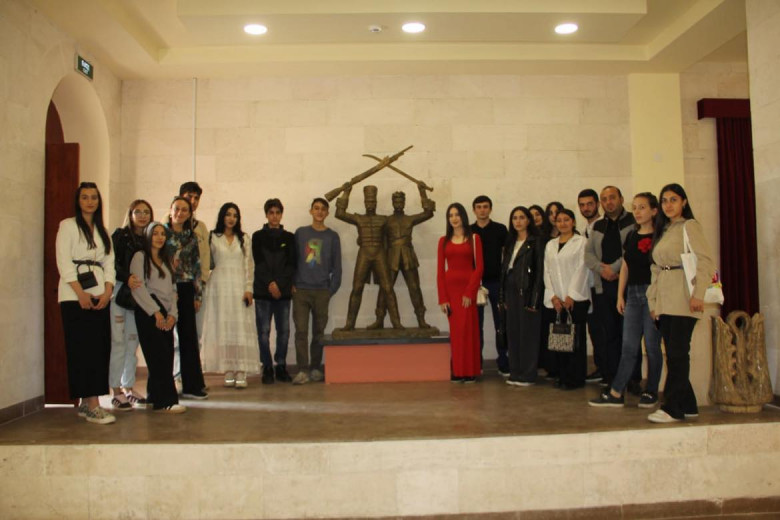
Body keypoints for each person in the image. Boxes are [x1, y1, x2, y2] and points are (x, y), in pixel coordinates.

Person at [646, 184, 714, 423]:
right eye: (664, 200)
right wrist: (653, 302)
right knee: (674, 354)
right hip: (665, 300)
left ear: (684, 202)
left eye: (673, 199)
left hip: (685, 298)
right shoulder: (664, 230)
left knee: (677, 354)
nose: (668, 205)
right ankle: (689, 405)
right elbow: (656, 269)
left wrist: (698, 294)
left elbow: (706, 261)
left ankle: (673, 408)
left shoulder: (689, 226)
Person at [589, 193, 662, 408]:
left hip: (652, 294)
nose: (637, 212)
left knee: (652, 346)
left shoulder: (661, 236)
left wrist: (657, 299)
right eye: (635, 207)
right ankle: (616, 392)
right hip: (632, 294)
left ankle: (651, 391)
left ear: (654, 211)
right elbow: (626, 266)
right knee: (628, 346)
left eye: (642, 207)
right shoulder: (631, 235)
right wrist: (621, 295)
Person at [55, 182, 116, 424]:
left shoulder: (103, 230)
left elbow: (110, 263)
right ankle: (92, 404)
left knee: (99, 349)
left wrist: (108, 291)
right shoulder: (68, 226)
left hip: (100, 294)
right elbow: (63, 262)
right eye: (85, 197)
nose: (90, 201)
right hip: (74, 296)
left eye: (94, 197)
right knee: (82, 349)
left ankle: (87, 402)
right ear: (78, 201)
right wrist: (80, 293)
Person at [201, 203, 259, 388]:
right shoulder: (212, 237)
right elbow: (205, 262)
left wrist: (249, 289)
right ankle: (228, 369)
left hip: (239, 287)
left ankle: (241, 370)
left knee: (239, 327)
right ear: (222, 216)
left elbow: (249, 265)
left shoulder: (244, 238)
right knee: (224, 327)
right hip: (218, 287)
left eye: (235, 215)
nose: (231, 218)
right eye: (228, 214)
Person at [129, 222, 186, 413]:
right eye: (155, 234)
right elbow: (138, 288)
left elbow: (173, 291)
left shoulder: (166, 259)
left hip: (166, 313)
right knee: (158, 357)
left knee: (166, 356)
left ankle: (154, 397)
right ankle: (166, 401)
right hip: (148, 312)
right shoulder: (140, 257)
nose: (160, 237)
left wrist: (173, 315)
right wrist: (155, 312)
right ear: (147, 236)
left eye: (162, 234)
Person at [584, 186, 635, 390]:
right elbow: (588, 255)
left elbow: (631, 251)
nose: (609, 202)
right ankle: (614, 378)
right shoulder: (598, 226)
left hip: (628, 287)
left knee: (629, 336)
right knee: (610, 335)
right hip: (603, 288)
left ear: (621, 199)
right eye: (604, 199)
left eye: (612, 198)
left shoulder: (633, 222)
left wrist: (614, 268)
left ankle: (633, 380)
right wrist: (602, 269)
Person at [335, 184, 403, 330]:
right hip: (364, 254)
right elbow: (340, 213)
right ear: (364, 203)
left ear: (376, 203)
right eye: (368, 202)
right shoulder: (359, 218)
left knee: (388, 288)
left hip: (379, 254)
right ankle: (349, 324)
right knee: (357, 288)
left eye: (372, 202)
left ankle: (396, 323)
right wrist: (346, 192)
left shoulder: (383, 219)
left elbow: (399, 223)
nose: (370, 204)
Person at [369, 185, 435, 329]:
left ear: (404, 203)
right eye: (396, 201)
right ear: (393, 203)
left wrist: (422, 191)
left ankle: (421, 319)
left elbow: (428, 213)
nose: (398, 204)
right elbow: (378, 237)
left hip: (407, 256)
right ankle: (379, 319)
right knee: (385, 288)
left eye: (400, 201)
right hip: (391, 256)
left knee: (414, 288)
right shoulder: (386, 220)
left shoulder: (410, 219)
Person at [292, 198, 342, 385]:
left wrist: (331, 290)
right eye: (316, 208)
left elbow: (337, 266)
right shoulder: (301, 233)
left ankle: (315, 368)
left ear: (327, 213)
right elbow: (292, 260)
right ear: (311, 211)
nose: (319, 212)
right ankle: (302, 370)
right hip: (301, 290)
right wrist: (292, 283)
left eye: (323, 209)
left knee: (319, 332)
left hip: (322, 291)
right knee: (301, 331)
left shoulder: (332, 237)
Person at [109, 200, 152, 412]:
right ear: (131, 214)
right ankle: (115, 390)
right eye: (138, 212)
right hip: (120, 292)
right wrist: (127, 277)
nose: (142, 216)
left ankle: (128, 387)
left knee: (132, 343)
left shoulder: (149, 239)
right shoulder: (120, 235)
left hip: (139, 296)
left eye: (146, 212)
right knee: (118, 342)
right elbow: (111, 263)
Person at [165, 196, 208, 399]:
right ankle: (166, 386)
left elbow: (196, 267)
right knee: (165, 339)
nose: (180, 213)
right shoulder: (160, 233)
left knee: (189, 337)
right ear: (170, 210)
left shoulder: (192, 237)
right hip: (164, 289)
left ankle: (192, 385)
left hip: (186, 288)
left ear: (190, 214)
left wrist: (197, 295)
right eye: (177, 209)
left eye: (184, 210)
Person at [543, 209, 591, 390]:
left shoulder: (581, 242)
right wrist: (553, 296)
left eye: (566, 220)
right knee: (560, 339)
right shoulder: (550, 245)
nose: (562, 223)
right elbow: (547, 271)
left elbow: (582, 269)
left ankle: (576, 378)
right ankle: (562, 375)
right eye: (559, 220)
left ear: (573, 222)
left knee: (576, 339)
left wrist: (571, 295)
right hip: (557, 300)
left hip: (576, 299)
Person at [437, 203, 484, 383]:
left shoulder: (474, 238)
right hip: (451, 292)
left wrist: (469, 292)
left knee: (469, 331)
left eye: (457, 214)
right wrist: (443, 298)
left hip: (467, 292)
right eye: (450, 215)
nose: (454, 218)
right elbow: (440, 272)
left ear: (463, 216)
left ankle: (470, 370)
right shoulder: (443, 241)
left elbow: (479, 268)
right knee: (456, 333)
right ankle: (457, 370)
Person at [499, 206, 544, 386]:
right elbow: (504, 270)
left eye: (522, 217)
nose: (518, 221)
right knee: (513, 333)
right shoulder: (510, 242)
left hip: (527, 292)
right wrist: (502, 297)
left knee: (528, 334)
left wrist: (534, 299)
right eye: (515, 218)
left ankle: (528, 374)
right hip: (510, 291)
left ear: (528, 221)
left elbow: (539, 272)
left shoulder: (536, 241)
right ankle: (515, 372)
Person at [253, 198, 296, 385]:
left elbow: (291, 264)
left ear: (282, 214)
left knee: (284, 331)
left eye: (278, 212)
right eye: (271, 213)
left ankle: (281, 365)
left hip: (283, 293)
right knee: (263, 332)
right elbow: (259, 263)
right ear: (266, 214)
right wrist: (270, 283)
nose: (275, 216)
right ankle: (267, 366)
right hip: (263, 292)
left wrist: (279, 284)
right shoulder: (257, 237)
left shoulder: (289, 237)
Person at [471, 195, 509, 374]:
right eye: (479, 207)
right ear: (474, 210)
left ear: (490, 209)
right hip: (475, 284)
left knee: (501, 324)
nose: (482, 210)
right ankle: (476, 362)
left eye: (485, 206)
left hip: (497, 283)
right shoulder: (469, 231)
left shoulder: (500, 229)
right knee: (476, 325)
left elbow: (507, 255)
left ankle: (503, 361)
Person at [577, 188, 606, 384]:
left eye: (589, 204)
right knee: (594, 330)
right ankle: (600, 367)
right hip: (588, 287)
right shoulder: (584, 230)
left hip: (602, 285)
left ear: (597, 204)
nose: (586, 208)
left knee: (604, 330)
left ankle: (607, 369)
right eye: (582, 205)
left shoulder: (603, 227)